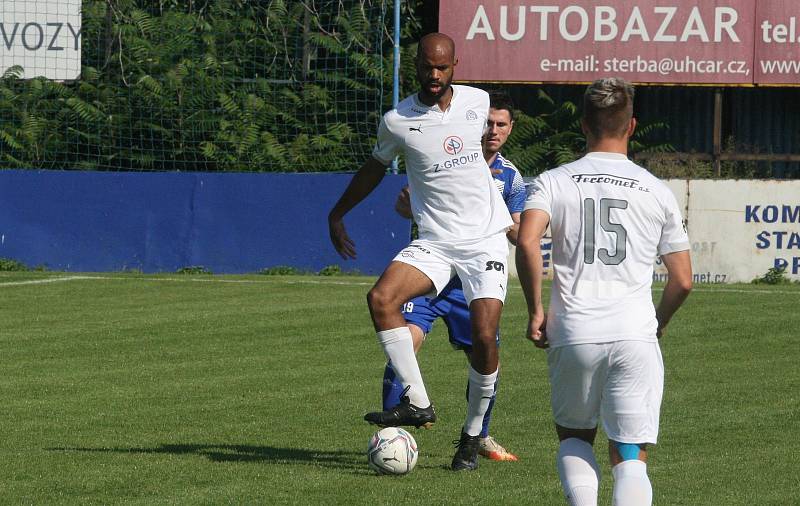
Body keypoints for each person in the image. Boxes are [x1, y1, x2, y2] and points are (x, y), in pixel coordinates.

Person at [328, 33, 513, 471]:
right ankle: (419, 403)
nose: (434, 75)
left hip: (484, 239)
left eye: (442, 68)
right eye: (427, 67)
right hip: (435, 241)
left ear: (455, 66)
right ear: (415, 66)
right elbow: (374, 168)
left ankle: (471, 438)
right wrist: (337, 214)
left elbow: (489, 148)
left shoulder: (477, 102)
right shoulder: (397, 120)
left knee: (485, 338)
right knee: (381, 299)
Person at [516, 78, 692, 505]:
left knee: (576, 437)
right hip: (634, 332)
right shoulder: (656, 189)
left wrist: (536, 309)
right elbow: (683, 279)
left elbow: (526, 240)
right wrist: (659, 321)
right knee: (630, 453)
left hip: (574, 330)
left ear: (582, 125)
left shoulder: (554, 181)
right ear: (631, 126)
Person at [383, 92, 524, 462]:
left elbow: (520, 229)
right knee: (407, 337)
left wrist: (510, 226)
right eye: (488, 123)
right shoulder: (440, 157)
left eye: (501, 125)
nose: (492, 130)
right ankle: (393, 434)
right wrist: (405, 207)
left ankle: (478, 436)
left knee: (485, 348)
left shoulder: (510, 177)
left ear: (510, 130)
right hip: (434, 272)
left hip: (472, 280)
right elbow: (409, 205)